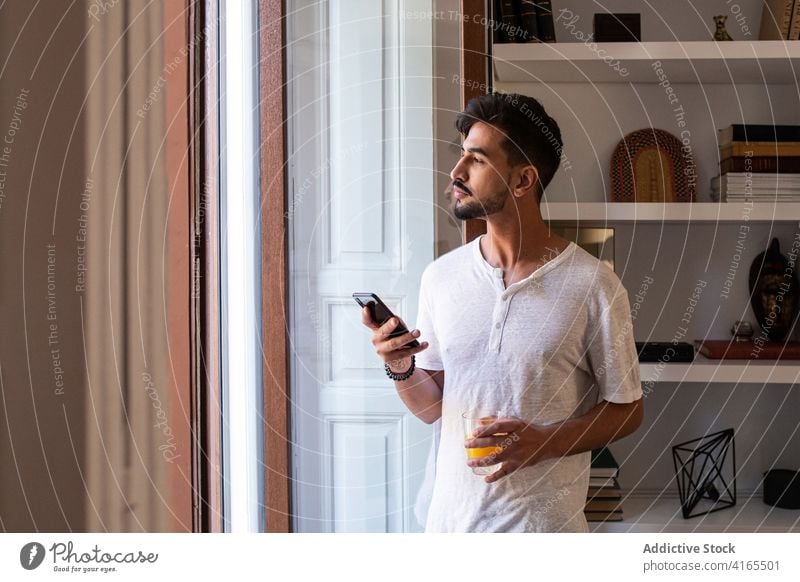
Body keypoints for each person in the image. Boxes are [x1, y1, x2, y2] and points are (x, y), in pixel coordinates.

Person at [360, 92, 643, 532]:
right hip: (449, 529)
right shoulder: (441, 277)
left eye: (476, 159)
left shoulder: (594, 286)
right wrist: (399, 365)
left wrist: (544, 443)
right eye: (461, 156)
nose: (456, 172)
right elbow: (434, 407)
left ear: (523, 180)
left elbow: (627, 409)